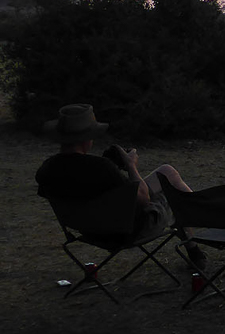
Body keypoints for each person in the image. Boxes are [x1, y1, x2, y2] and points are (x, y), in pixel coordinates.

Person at [34, 103, 205, 267]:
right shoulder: (101, 168)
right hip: (125, 230)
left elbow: (87, 187)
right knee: (171, 192)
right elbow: (143, 199)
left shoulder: (47, 169)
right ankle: (201, 227)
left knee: (166, 171)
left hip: (87, 229)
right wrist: (130, 165)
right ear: (87, 139)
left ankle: (196, 242)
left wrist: (113, 169)